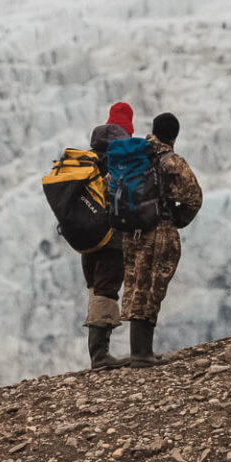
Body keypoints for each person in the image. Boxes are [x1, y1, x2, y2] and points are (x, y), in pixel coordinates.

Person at [119, 113, 204, 365]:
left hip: (132, 232)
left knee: (137, 285)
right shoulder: (171, 162)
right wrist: (176, 219)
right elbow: (193, 197)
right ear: (174, 135)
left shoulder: (134, 158)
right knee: (153, 287)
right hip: (159, 232)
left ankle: (141, 350)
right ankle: (141, 354)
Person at [82, 102, 135, 370]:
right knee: (106, 289)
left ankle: (98, 353)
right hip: (111, 237)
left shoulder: (90, 157)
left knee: (96, 288)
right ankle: (100, 356)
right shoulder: (122, 157)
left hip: (87, 236)